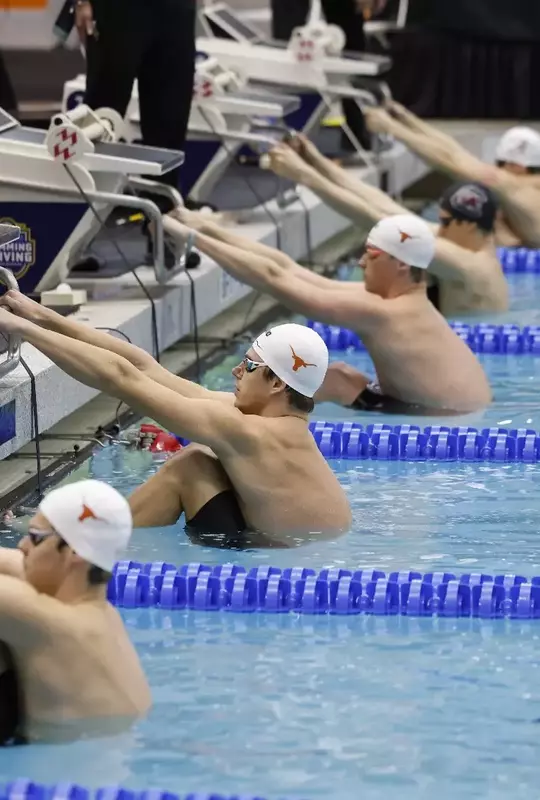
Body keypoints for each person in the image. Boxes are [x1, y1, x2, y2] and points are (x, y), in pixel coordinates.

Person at [0, 295, 351, 545]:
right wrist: (39, 316)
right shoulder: (268, 425)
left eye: (249, 365)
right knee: (198, 459)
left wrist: (22, 330)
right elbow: (143, 367)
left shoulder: (248, 431)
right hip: (296, 549)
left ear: (277, 383)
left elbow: (121, 379)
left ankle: (60, 539)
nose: (236, 370)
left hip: (278, 564)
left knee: (190, 465)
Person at [163, 211, 491, 414]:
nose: (361, 263)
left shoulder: (386, 313)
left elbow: (275, 280)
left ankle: (206, 407)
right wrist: (205, 227)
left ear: (401, 265)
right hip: (451, 407)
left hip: (438, 418)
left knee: (299, 385)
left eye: (372, 255)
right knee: (336, 377)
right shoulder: (399, 303)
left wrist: (189, 237)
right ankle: (216, 405)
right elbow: (287, 268)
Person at [265, 134, 507, 316]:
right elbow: (384, 206)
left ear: (469, 226)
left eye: (444, 221)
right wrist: (316, 161)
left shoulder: (468, 265)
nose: (439, 226)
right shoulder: (465, 243)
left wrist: (304, 176)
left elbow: (375, 220)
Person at [0, 479, 151, 745]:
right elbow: (16, 563)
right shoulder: (100, 614)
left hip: (45, 778)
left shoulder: (48, 622)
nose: (22, 545)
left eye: (34, 537)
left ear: (74, 552)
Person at [363, 101, 540, 248]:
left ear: (517, 166)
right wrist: (406, 118)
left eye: (500, 164)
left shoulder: (515, 189)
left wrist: (392, 128)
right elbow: (456, 153)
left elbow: (451, 164)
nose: (497, 168)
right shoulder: (521, 190)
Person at [76, 0, 195, 195]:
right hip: (119, 9)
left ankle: (163, 202)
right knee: (104, 110)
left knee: (171, 111)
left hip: (177, 8)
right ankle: (86, 199)